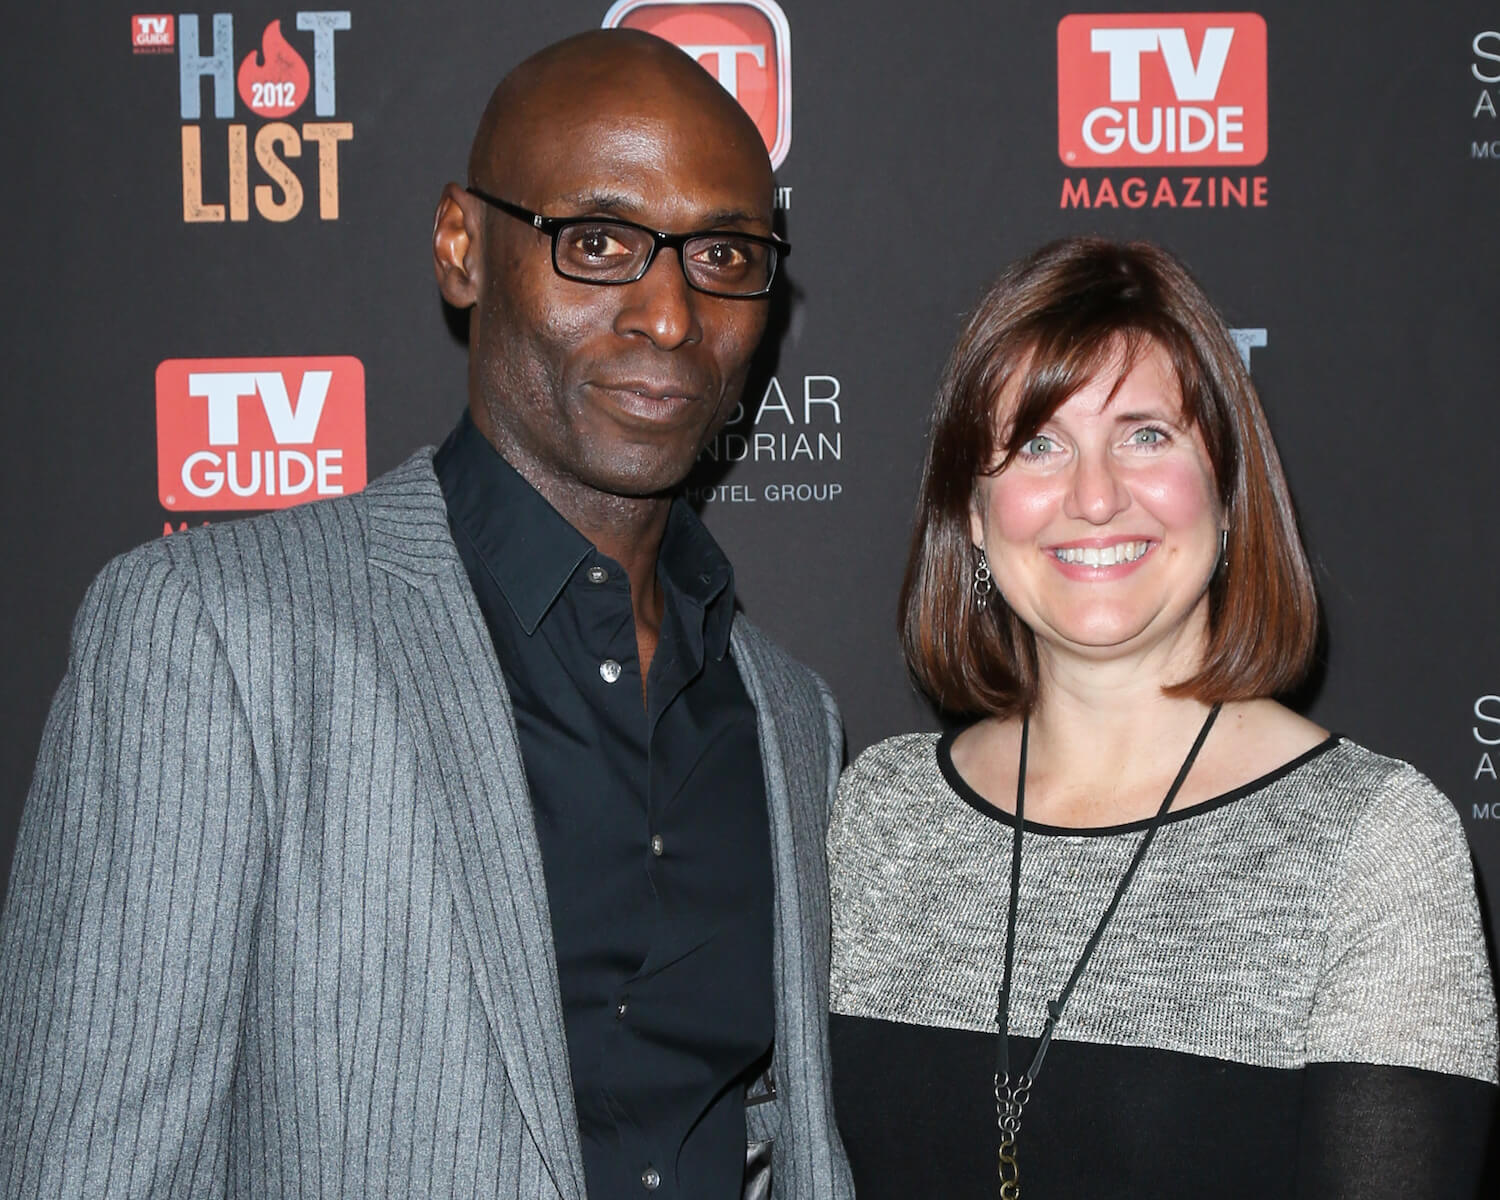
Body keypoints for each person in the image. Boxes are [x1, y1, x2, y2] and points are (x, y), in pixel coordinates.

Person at [0, 30, 853, 1200]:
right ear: (463, 245)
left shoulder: (788, 715)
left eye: (723, 254)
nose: (668, 312)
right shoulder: (213, 636)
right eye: (597, 241)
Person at [827, 237, 1498, 1198]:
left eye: (1146, 435)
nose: (1094, 498)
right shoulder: (875, 814)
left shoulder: (1374, 842)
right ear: (971, 515)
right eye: (1039, 444)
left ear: (1226, 491)